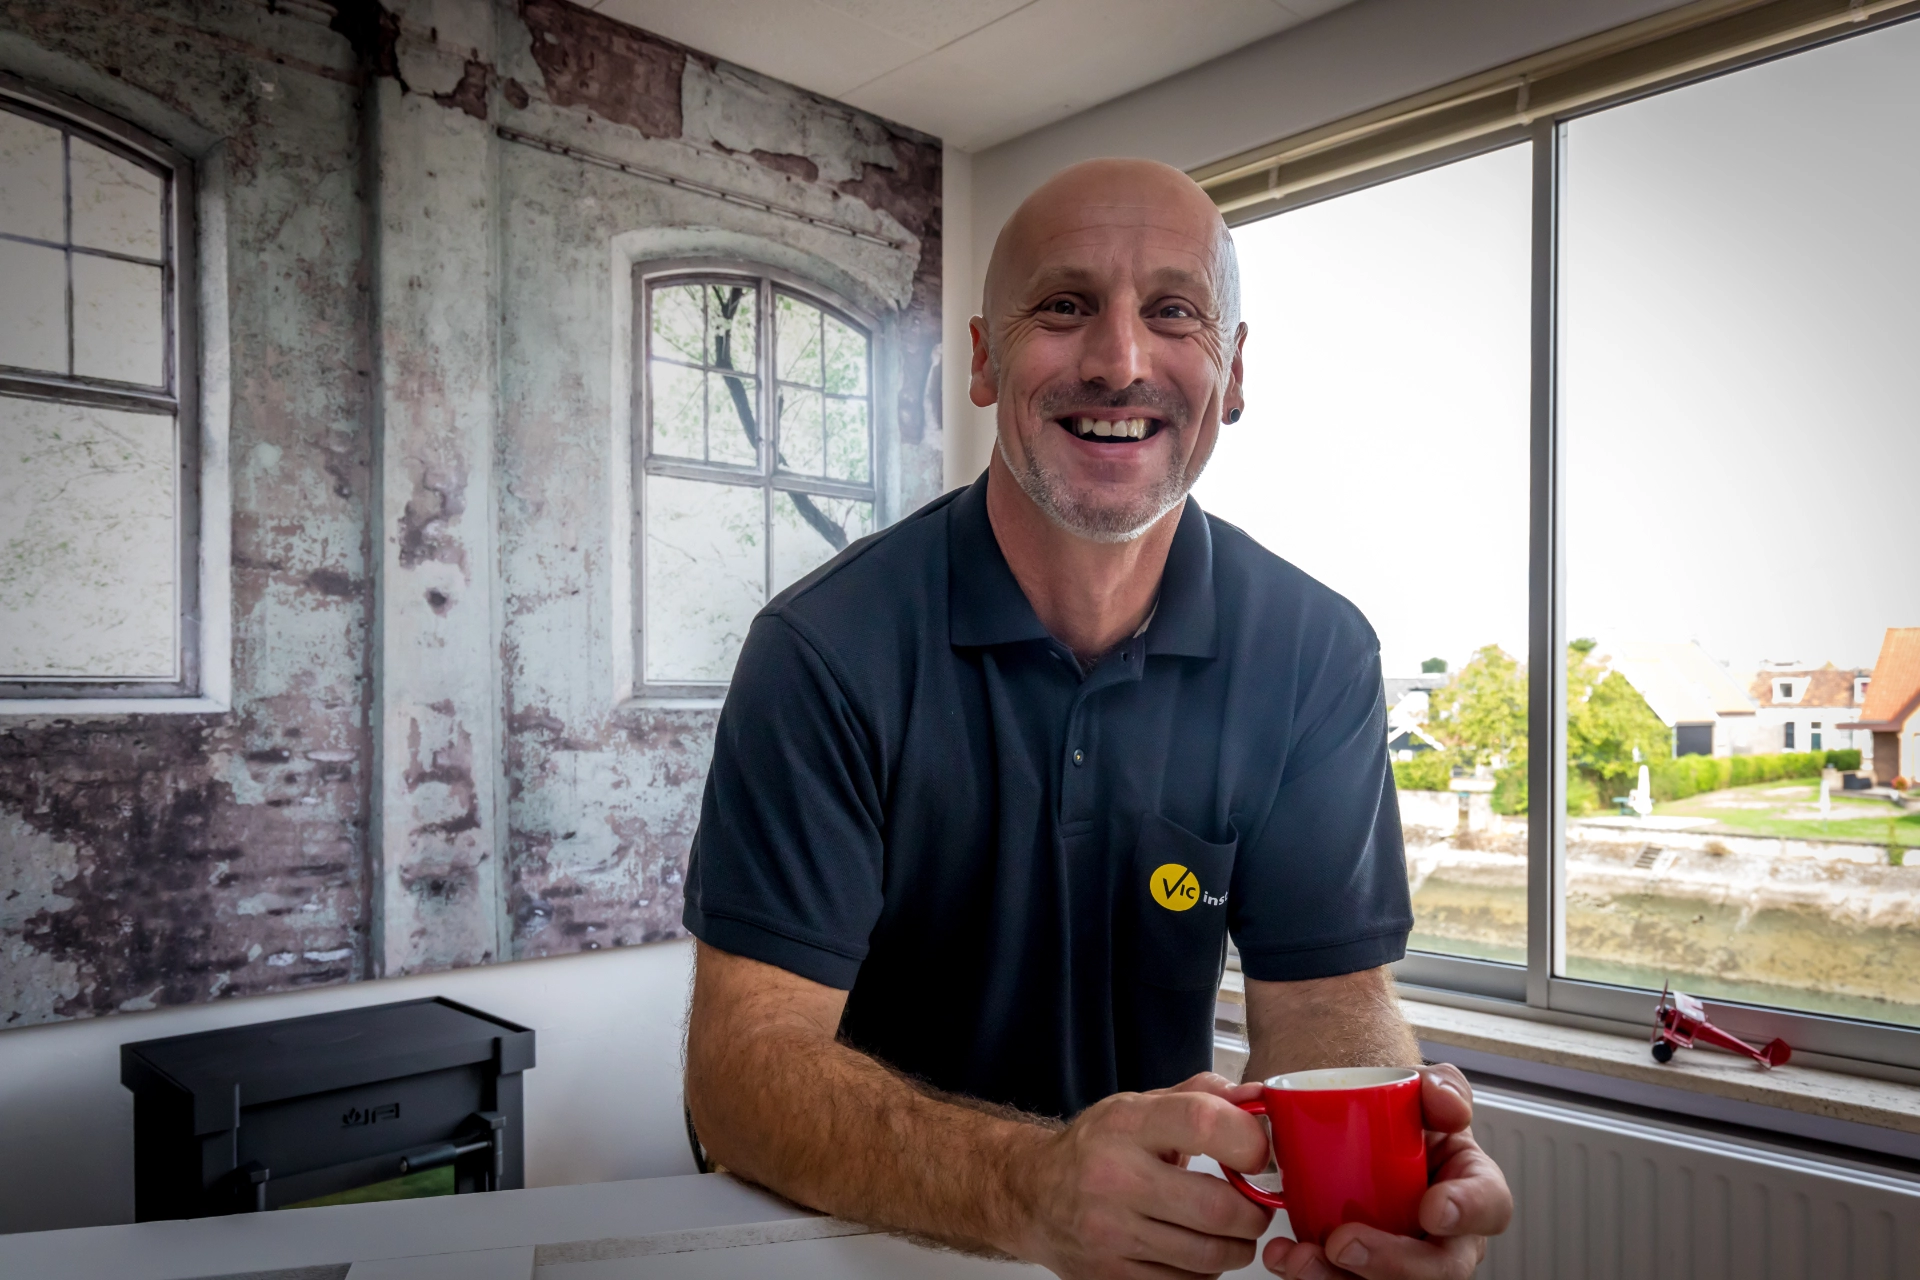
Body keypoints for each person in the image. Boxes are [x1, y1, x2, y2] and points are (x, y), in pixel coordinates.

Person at [681, 157, 1512, 1280]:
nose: (1121, 361)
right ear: (984, 360)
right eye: (1066, 305)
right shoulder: (824, 649)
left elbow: (1329, 1003)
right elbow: (742, 1075)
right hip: (857, 1248)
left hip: (1145, 1256)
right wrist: (1031, 1185)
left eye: (1174, 312)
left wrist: (1380, 1179)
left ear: (1232, 371)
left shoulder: (1315, 652)